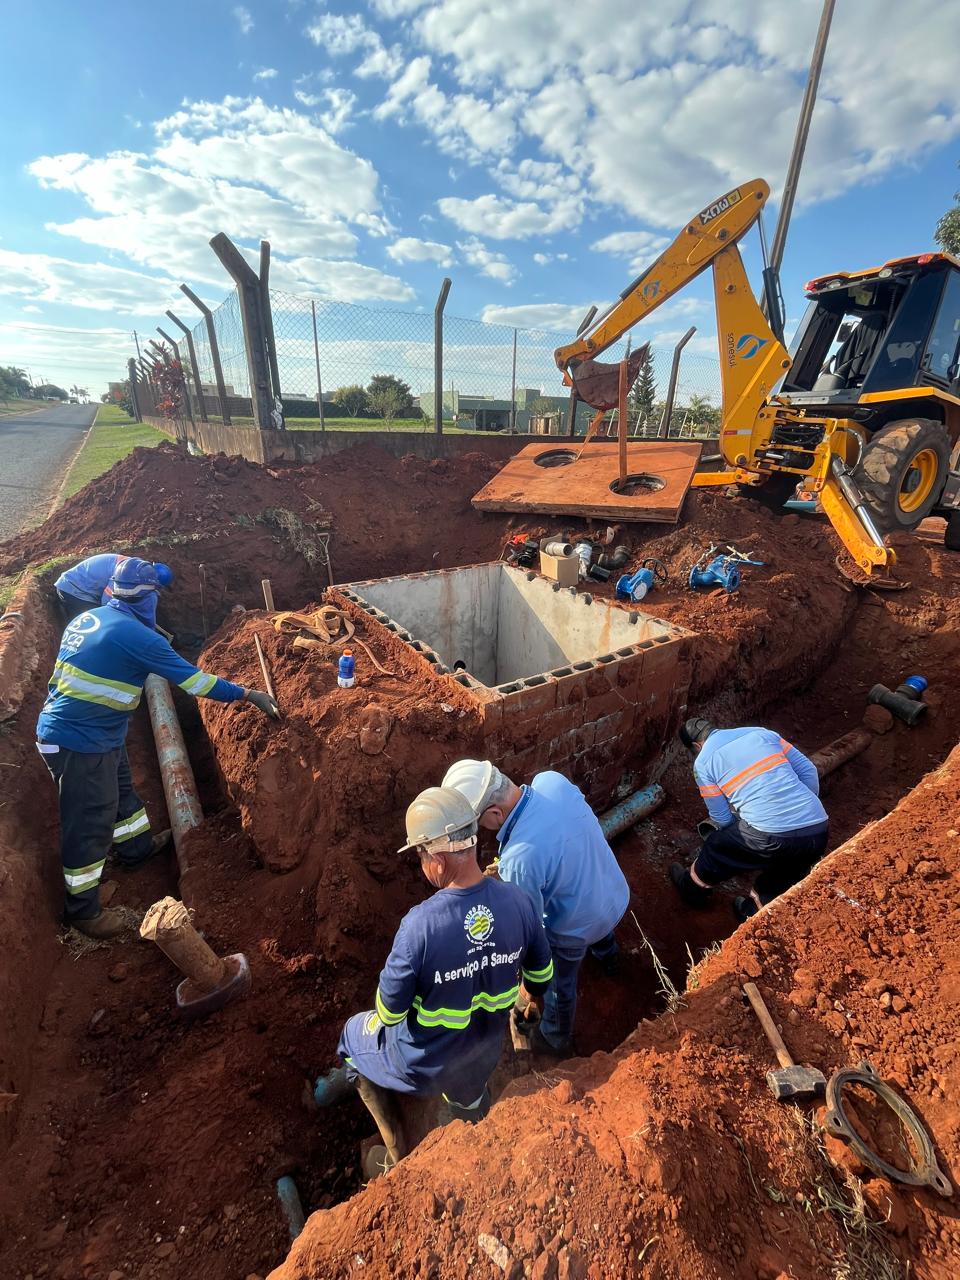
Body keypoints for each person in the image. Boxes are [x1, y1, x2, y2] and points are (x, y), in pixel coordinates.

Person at [36, 557, 279, 939]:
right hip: (79, 741)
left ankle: (135, 849)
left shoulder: (89, 618)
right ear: (148, 598)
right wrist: (248, 694)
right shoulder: (137, 638)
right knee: (89, 820)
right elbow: (197, 683)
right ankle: (83, 912)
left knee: (121, 792)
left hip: (93, 731)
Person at [313, 786, 554, 1168]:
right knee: (470, 1095)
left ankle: (394, 1154)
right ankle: (471, 1113)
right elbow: (540, 975)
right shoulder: (519, 903)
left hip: (423, 1063)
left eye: (422, 856)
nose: (423, 865)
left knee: (351, 1035)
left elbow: (389, 1014)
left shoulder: (420, 927)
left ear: (438, 861)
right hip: (481, 1056)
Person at [442, 760, 629, 1059]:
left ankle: (556, 1038)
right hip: (613, 890)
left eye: (478, 822)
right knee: (599, 926)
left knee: (558, 984)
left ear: (494, 813)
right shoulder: (551, 780)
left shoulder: (518, 858)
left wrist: (528, 987)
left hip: (577, 928)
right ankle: (610, 958)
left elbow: (533, 931)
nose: (482, 829)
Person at [670, 717, 829, 922]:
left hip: (770, 836)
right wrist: (798, 811)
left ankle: (691, 890)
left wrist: (739, 841)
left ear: (696, 745)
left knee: (717, 846)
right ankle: (751, 911)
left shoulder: (703, 762)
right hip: (818, 829)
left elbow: (721, 817)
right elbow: (809, 770)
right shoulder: (762, 733)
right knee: (788, 868)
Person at [54, 553, 174, 623]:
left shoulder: (137, 568)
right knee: (96, 623)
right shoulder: (124, 574)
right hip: (74, 589)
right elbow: (107, 604)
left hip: (85, 586)